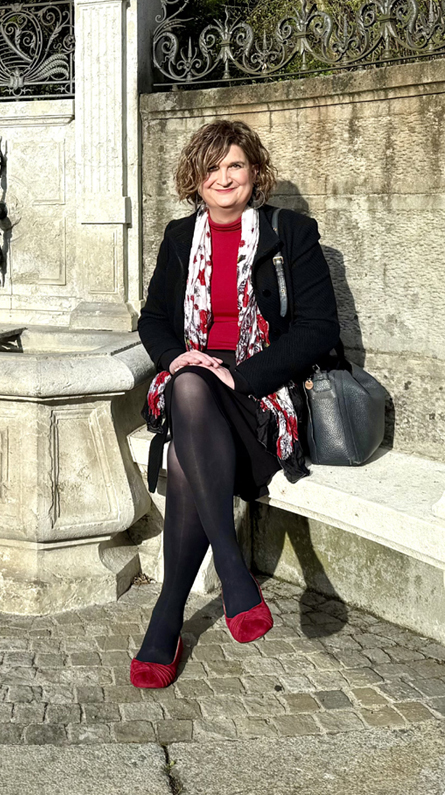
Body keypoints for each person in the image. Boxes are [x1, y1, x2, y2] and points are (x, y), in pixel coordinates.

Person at [131, 119, 341, 688]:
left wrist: (240, 374)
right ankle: (230, 566)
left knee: (187, 435)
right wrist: (178, 357)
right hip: (194, 388)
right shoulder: (180, 237)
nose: (224, 178)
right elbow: (154, 319)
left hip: (264, 395)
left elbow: (318, 329)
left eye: (235, 165)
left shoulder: (290, 232)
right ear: (195, 178)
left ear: (254, 172)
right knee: (190, 388)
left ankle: (169, 616)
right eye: (212, 167)